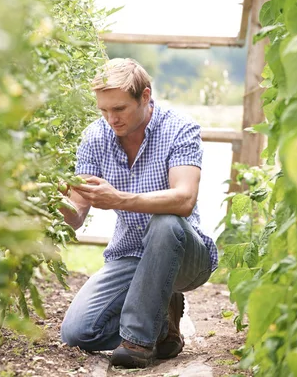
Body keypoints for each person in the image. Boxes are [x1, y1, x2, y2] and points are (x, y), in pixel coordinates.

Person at [59, 58, 218, 369]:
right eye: (103, 110)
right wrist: (53, 204)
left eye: (119, 109)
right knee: (77, 332)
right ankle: (161, 324)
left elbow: (184, 199)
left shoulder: (179, 128)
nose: (111, 119)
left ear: (145, 96)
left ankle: (138, 343)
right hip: (130, 254)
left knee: (166, 222)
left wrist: (119, 199)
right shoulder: (95, 137)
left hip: (185, 254)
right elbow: (76, 214)